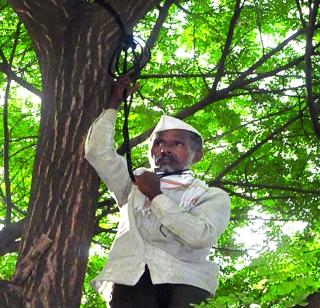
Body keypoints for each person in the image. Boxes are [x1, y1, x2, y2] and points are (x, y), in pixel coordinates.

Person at [84, 76, 231, 308]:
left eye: (177, 144)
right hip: (130, 280)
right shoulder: (133, 183)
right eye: (159, 143)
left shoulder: (210, 195)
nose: (165, 149)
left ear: (198, 155)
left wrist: (156, 196)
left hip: (186, 283)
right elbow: (97, 152)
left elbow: (200, 236)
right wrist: (113, 104)